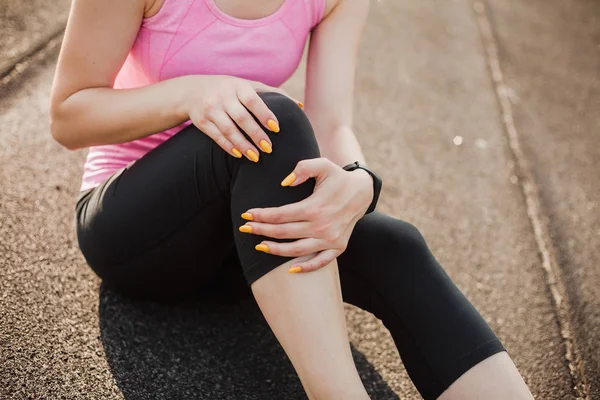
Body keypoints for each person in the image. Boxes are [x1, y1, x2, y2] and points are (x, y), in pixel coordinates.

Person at [49, 0, 533, 398]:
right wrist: (193, 93)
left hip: (241, 239)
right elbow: (69, 116)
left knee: (394, 243)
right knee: (273, 120)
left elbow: (332, 122)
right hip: (130, 230)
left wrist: (360, 182)